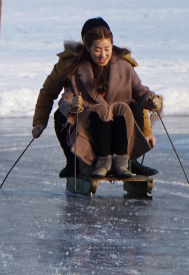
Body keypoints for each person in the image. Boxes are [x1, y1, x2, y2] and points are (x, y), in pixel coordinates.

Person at [32, 18, 162, 179]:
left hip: (119, 121)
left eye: (107, 47)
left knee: (131, 107)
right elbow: (48, 92)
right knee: (61, 115)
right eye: (96, 47)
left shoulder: (122, 63)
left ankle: (130, 161)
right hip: (90, 118)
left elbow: (137, 95)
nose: (103, 54)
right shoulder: (71, 64)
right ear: (87, 44)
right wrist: (39, 122)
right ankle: (73, 162)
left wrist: (147, 132)